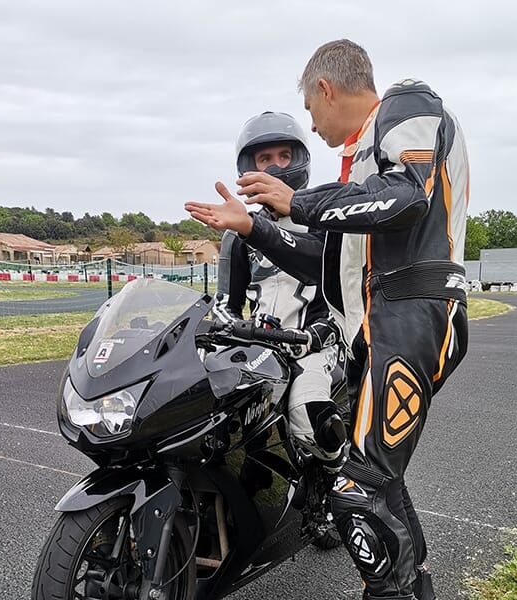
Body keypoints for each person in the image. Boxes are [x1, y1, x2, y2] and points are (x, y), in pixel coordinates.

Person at [186, 39, 469, 600]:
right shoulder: (362, 163)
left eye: (311, 114)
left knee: (357, 490)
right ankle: (412, 585)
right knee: (379, 481)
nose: (312, 129)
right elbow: (325, 259)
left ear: (325, 88)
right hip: (379, 323)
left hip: (412, 312)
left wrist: (301, 204)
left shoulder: (407, 104)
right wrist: (254, 230)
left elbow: (407, 199)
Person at [214, 111, 347, 503]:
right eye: (264, 159)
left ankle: (341, 485)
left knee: (307, 416)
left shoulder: (328, 223)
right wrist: (222, 328)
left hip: (317, 345)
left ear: (300, 160)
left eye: (284, 157)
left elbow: (341, 296)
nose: (274, 167)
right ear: (247, 167)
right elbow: (226, 303)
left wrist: (319, 334)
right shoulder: (238, 234)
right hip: (258, 349)